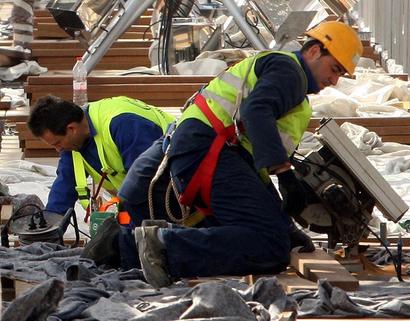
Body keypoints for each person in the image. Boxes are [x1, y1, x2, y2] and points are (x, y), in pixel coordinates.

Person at [121, 21, 363, 287]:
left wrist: (287, 226)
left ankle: (118, 245)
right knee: (268, 244)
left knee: (263, 236)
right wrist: (284, 174)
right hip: (207, 148)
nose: (334, 80)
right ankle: (162, 245)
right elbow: (256, 112)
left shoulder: (283, 73)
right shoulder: (290, 72)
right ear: (315, 51)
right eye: (335, 69)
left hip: (204, 148)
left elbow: (251, 161)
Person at [27, 95, 175, 265]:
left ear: (71, 128)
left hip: (178, 191)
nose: (58, 149)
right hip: (153, 196)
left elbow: (145, 188)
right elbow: (64, 187)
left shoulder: (124, 124)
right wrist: (47, 234)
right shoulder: (74, 142)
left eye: (57, 143)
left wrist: (124, 242)